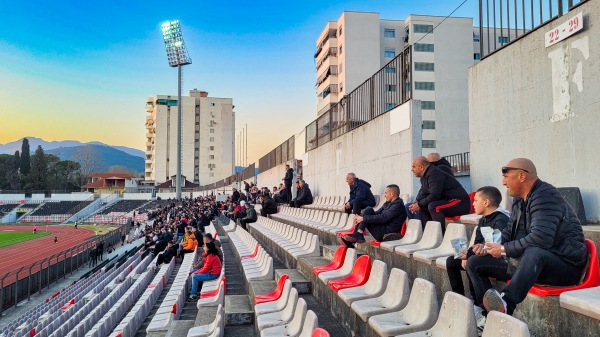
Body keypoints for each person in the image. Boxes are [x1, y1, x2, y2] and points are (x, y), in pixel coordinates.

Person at [466, 158, 587, 318]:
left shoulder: (545, 196)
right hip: (529, 265)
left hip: (564, 266)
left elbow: (541, 239)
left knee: (534, 252)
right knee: (475, 262)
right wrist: (488, 247)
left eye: (506, 176)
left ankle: (506, 304)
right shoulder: (519, 201)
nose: (503, 182)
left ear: (522, 176)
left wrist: (503, 249)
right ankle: (486, 315)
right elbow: (508, 233)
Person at [445, 186, 509, 329]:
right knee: (452, 261)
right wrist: (465, 255)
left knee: (473, 262)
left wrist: (473, 255)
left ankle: (483, 310)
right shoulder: (483, 220)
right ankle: (461, 301)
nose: (472, 204)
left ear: (486, 202)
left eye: (475, 200)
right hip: (487, 256)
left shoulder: (502, 219)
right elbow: (477, 243)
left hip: (504, 262)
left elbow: (499, 245)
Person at [408, 156, 470, 232]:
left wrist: (419, 204)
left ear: (421, 167)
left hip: (460, 203)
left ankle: (439, 235)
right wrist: (417, 202)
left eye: (414, 167)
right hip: (448, 201)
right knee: (423, 207)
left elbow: (435, 195)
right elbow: (423, 192)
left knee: (434, 206)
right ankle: (429, 233)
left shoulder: (434, 174)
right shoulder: (425, 176)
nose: (412, 169)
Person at [341, 184, 406, 247]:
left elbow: (383, 218)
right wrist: (361, 217)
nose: (385, 195)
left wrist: (363, 218)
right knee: (369, 210)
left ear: (392, 194)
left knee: (366, 217)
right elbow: (377, 213)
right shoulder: (388, 203)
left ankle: (358, 234)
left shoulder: (398, 206)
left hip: (387, 234)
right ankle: (358, 234)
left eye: (386, 193)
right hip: (382, 228)